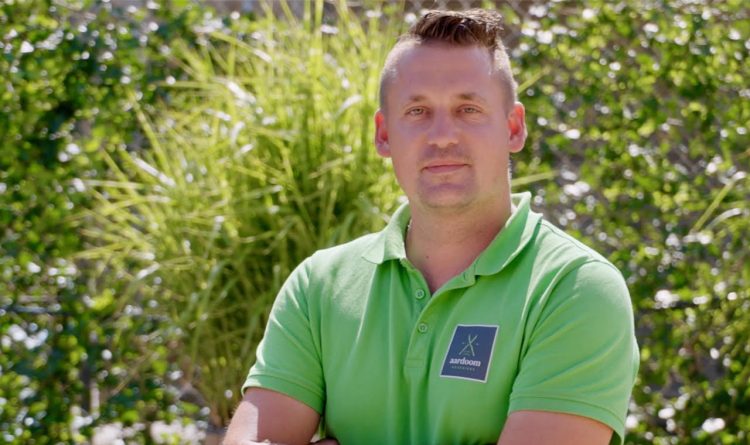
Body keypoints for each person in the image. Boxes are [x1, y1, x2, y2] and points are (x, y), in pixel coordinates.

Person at [224, 8, 639, 445]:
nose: (442, 135)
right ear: (384, 134)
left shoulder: (573, 288)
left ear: (513, 128)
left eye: (468, 109)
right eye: (418, 110)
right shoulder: (319, 286)